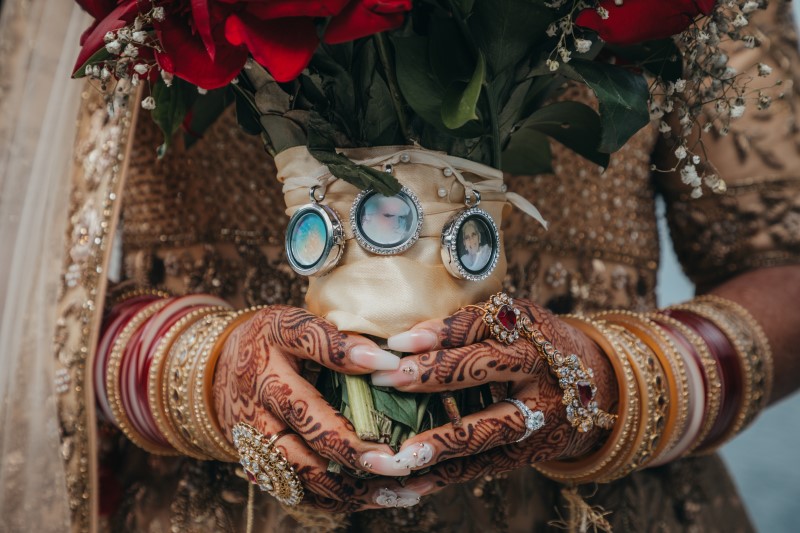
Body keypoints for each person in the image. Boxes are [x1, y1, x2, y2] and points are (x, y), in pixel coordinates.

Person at [1, 2, 799, 533]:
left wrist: (618, 380)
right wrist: (194, 372)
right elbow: (17, 264)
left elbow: (784, 263)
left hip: (592, 503)